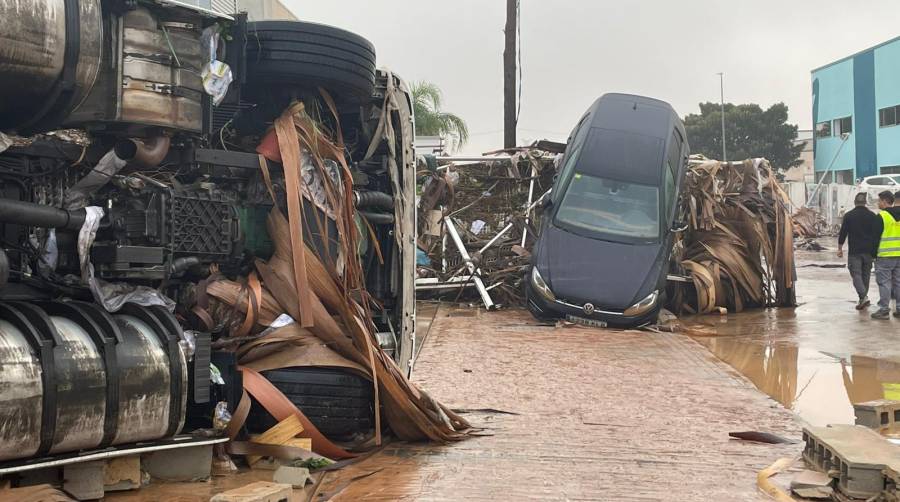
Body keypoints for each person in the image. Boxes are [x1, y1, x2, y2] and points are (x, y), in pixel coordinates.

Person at [838, 192, 880, 309]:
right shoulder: (872, 215)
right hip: (869, 251)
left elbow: (843, 233)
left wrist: (839, 248)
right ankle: (863, 298)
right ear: (865, 203)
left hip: (855, 252)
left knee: (856, 274)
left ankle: (863, 297)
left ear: (855, 202)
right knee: (865, 275)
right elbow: (876, 234)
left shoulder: (849, 215)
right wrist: (875, 251)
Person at [871, 191, 900, 319]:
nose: (878, 203)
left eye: (879, 201)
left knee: (884, 283)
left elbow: (875, 238)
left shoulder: (882, 216)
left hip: (885, 255)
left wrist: (873, 254)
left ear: (884, 201)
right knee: (898, 282)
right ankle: (899, 308)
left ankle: (883, 309)